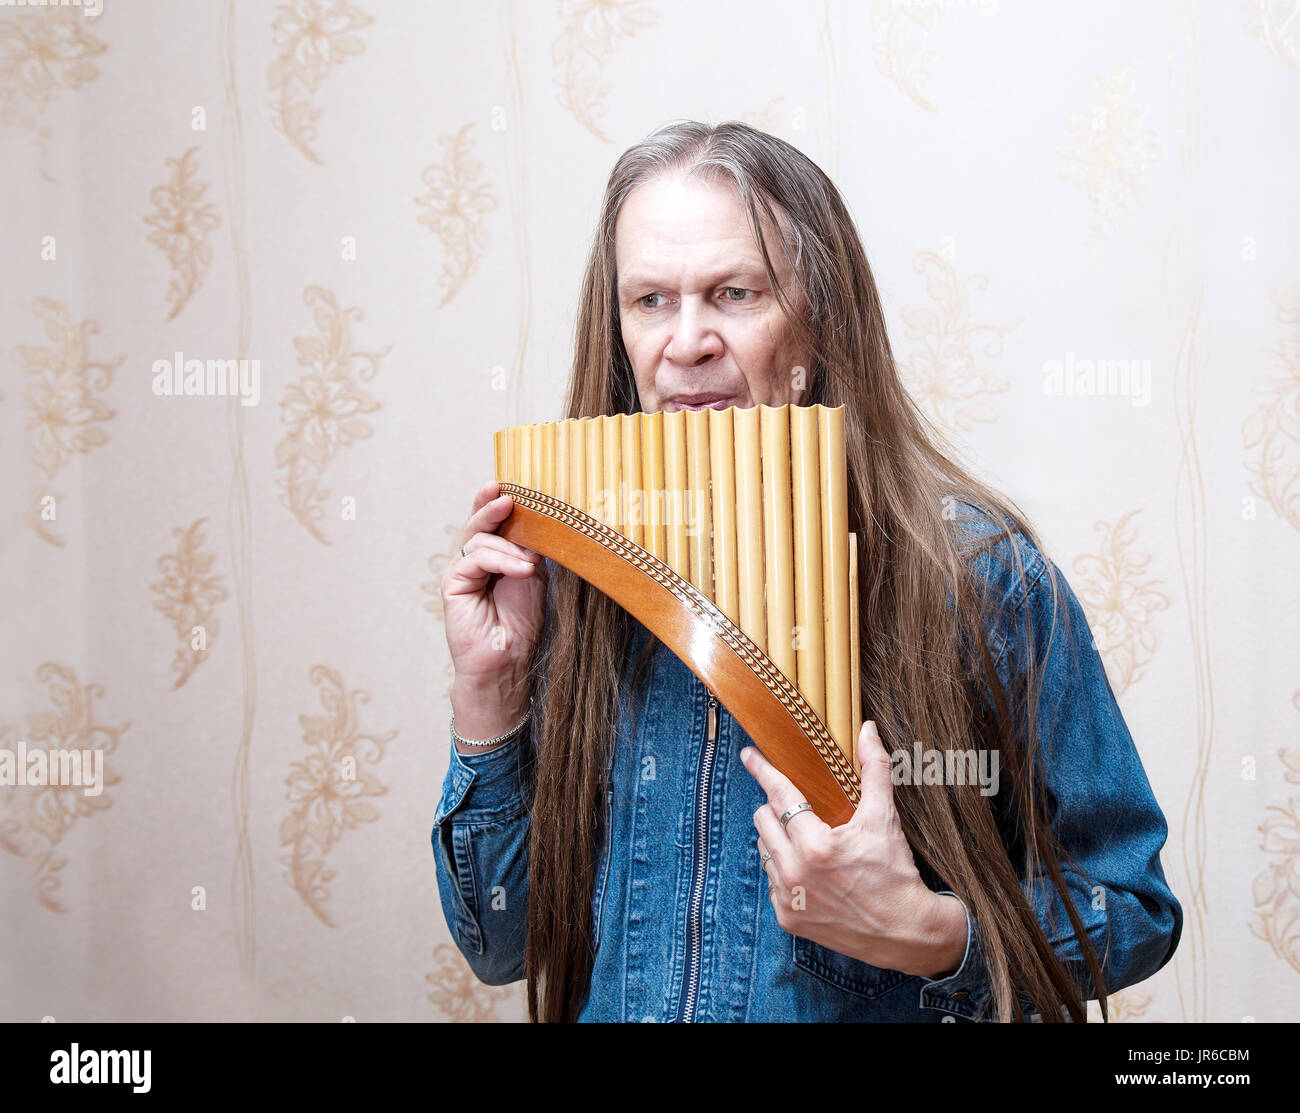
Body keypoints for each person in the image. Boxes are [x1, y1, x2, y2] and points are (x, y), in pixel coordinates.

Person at [433, 120, 1182, 1023]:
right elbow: (499, 943)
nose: (687, 341)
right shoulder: (571, 582)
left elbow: (1134, 907)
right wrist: (492, 693)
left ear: (818, 324)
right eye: (651, 301)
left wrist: (931, 931)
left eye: (735, 293)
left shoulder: (983, 577)